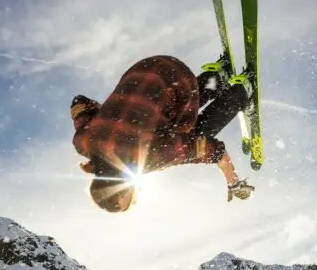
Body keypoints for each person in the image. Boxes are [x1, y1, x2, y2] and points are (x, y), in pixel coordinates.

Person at [71, 54, 255, 212]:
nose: (138, 192)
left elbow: (210, 149)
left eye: (131, 194)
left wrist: (234, 182)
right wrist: (117, 116)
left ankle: (240, 93)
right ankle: (217, 77)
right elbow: (78, 102)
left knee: (193, 133)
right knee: (163, 113)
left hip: (180, 79)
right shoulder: (83, 142)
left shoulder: (146, 157)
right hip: (146, 68)